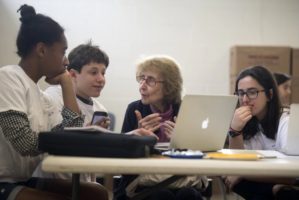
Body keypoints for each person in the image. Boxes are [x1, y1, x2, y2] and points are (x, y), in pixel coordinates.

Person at [0, 4, 108, 200]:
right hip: (4, 182)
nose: (66, 61)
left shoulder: (41, 96)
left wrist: (67, 83)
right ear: (42, 50)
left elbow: (71, 134)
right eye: (63, 51)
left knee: (97, 193)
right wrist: (61, 139)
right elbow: (25, 143)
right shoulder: (8, 78)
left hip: (24, 180)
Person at [114, 55, 207, 200]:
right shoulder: (134, 109)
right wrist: (138, 139)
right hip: (143, 182)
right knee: (161, 195)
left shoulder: (185, 109)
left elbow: (201, 155)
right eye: (141, 78)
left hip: (181, 179)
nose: (142, 86)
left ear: (169, 86)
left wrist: (181, 142)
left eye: (150, 80)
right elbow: (123, 161)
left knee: (189, 195)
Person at [33, 42, 110, 182]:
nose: (101, 79)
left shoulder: (100, 110)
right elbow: (51, 144)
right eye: (94, 72)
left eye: (103, 73)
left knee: (99, 193)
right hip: (53, 180)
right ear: (73, 74)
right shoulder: (53, 97)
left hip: (82, 180)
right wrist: (82, 136)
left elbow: (94, 158)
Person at [225, 65, 297, 200]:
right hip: (268, 182)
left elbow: (289, 176)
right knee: (235, 181)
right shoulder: (251, 123)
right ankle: (275, 190)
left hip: (292, 182)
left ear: (270, 95)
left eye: (252, 92)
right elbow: (236, 164)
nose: (245, 99)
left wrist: (242, 174)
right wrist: (235, 130)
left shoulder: (285, 122)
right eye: (240, 93)